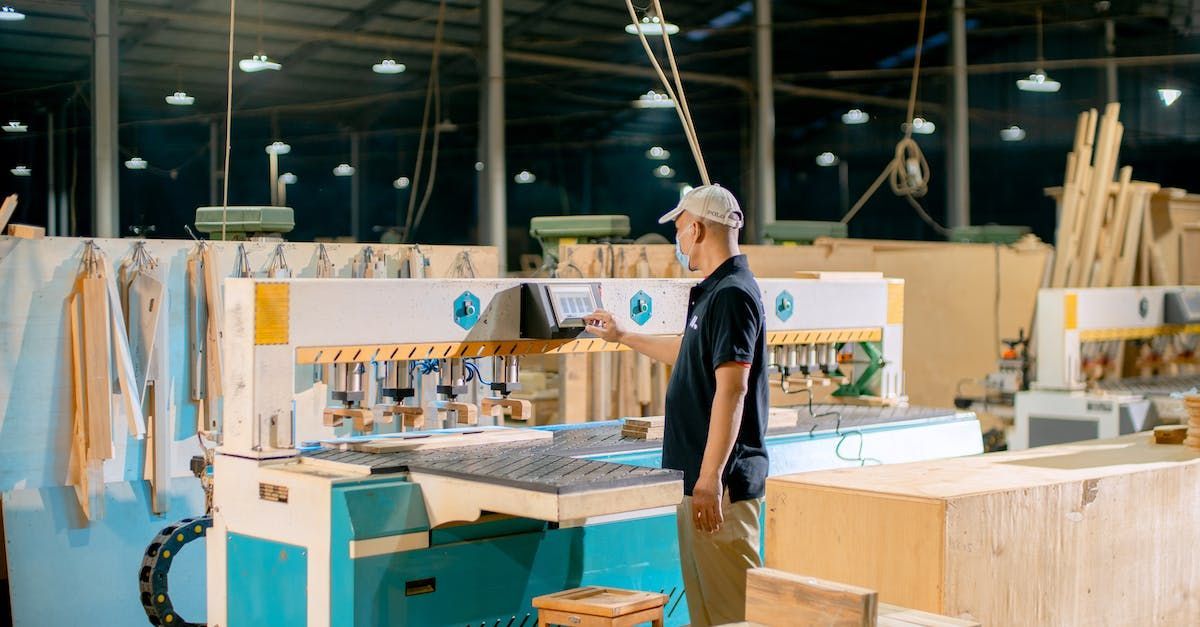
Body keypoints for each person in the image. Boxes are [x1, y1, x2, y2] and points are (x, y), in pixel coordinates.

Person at [583, 184, 769, 627]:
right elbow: (688, 353)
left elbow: (733, 390)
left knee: (734, 617)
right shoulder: (714, 291)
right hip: (699, 482)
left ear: (699, 229)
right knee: (707, 616)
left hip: (718, 487)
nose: (678, 240)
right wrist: (623, 335)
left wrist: (710, 477)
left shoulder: (732, 295)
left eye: (681, 230)